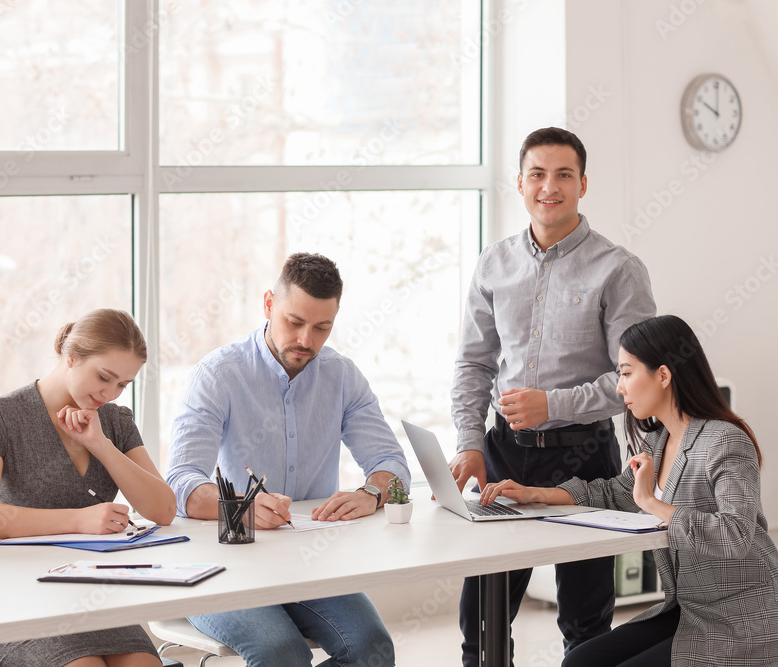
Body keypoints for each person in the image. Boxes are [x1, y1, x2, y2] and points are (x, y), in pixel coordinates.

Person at [449, 127, 658, 665]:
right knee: (482, 616)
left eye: (564, 174)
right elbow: (473, 363)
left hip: (585, 458)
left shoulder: (619, 269)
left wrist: (553, 406)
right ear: (520, 184)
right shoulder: (493, 263)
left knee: (586, 623)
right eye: (537, 174)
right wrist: (471, 442)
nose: (550, 186)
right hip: (503, 454)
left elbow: (633, 383)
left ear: (583, 183)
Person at [480, 314, 778, 667]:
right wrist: (536, 494)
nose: (619, 387)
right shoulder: (659, 437)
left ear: (663, 375)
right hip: (688, 607)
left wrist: (651, 503)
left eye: (625, 372)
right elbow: (617, 492)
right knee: (580, 661)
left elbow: (735, 534)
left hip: (741, 617)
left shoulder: (725, 441)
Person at [166, 252, 408, 667]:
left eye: (321, 328)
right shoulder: (219, 374)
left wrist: (372, 492)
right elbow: (180, 482)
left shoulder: (342, 376)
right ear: (268, 305)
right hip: (222, 564)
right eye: (294, 322)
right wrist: (238, 507)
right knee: (283, 654)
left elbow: (392, 463)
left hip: (307, 563)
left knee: (372, 647)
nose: (306, 341)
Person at [0, 308, 174, 667]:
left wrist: (101, 445)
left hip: (94, 599)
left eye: (123, 384)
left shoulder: (114, 421)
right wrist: (78, 520)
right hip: (13, 600)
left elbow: (163, 510)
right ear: (71, 357)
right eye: (104, 377)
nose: (111, 393)